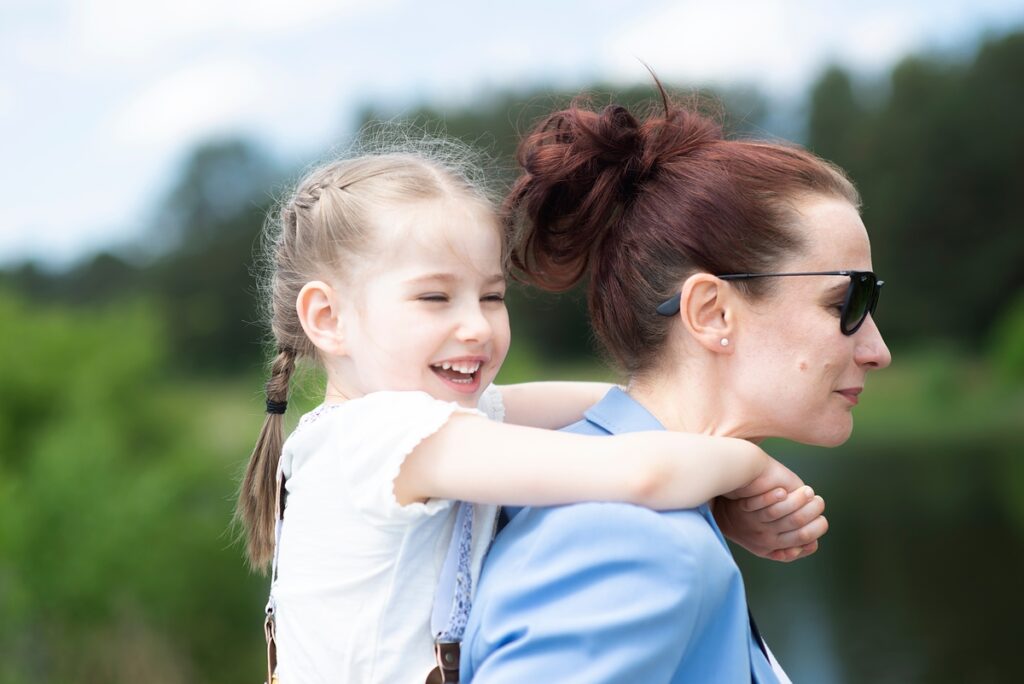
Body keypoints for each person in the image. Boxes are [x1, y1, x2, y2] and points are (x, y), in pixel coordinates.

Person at [235, 143, 827, 684]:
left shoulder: (410, 428)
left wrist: (709, 482)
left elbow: (619, 405)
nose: (476, 325)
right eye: (434, 297)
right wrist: (744, 462)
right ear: (327, 318)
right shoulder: (385, 438)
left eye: (492, 296)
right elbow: (633, 470)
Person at [461, 92, 892, 683]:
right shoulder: (630, 540)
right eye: (846, 303)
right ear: (712, 313)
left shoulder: (642, 505)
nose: (878, 351)